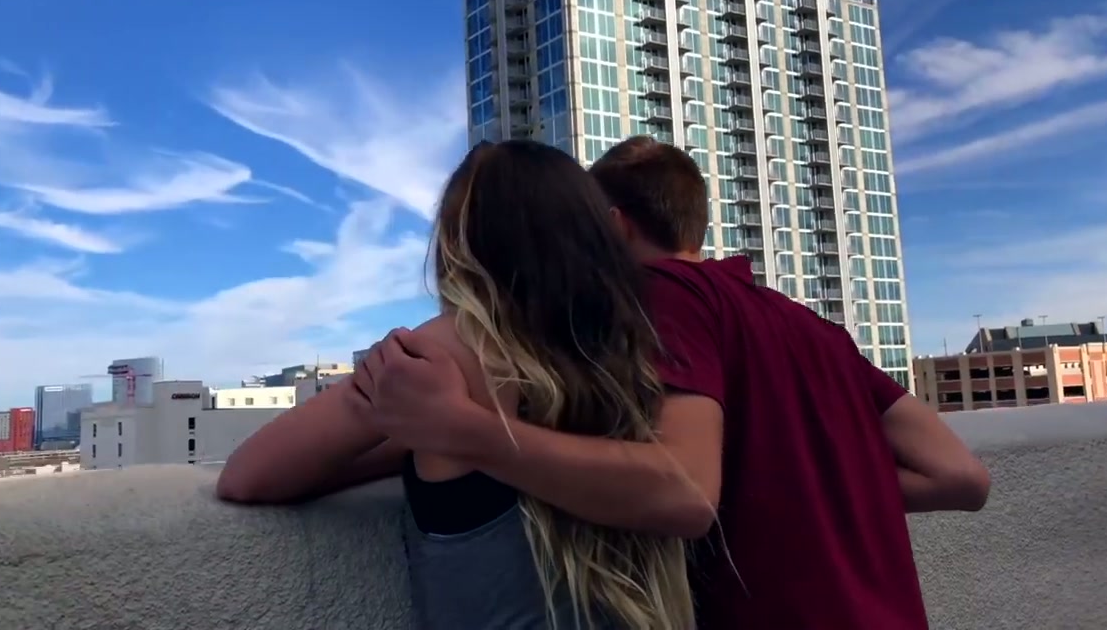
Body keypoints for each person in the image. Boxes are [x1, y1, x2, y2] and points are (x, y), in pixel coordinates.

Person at [351, 136, 991, 629]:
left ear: (612, 225)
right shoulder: (811, 328)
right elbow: (961, 476)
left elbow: (684, 488)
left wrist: (455, 430)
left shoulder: (661, 298)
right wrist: (801, 489)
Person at [217, 139, 697, 630]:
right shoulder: (638, 353)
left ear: (461, 243)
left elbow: (245, 476)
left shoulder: (455, 348)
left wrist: (374, 394)